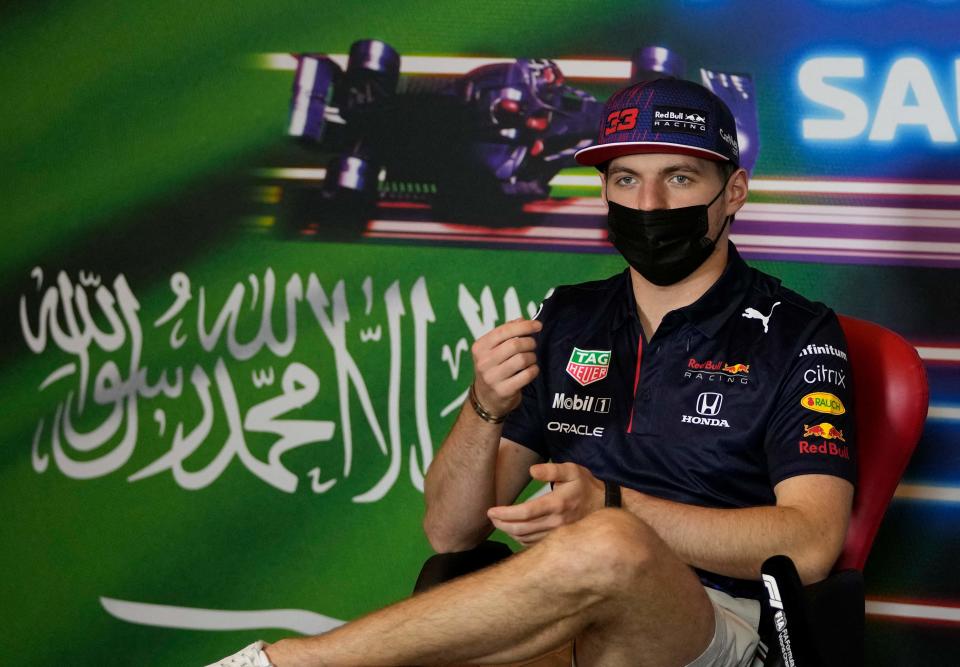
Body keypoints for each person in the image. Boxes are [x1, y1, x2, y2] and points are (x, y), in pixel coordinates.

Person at [209, 78, 856, 667]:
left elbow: (811, 543)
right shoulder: (568, 317)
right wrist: (484, 403)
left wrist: (614, 506)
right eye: (625, 179)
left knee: (609, 542)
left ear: (733, 191)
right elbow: (451, 530)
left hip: (714, 627)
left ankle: (289, 662)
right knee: (499, 576)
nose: (650, 201)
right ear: (604, 189)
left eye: (680, 178)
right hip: (563, 618)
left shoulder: (798, 332)